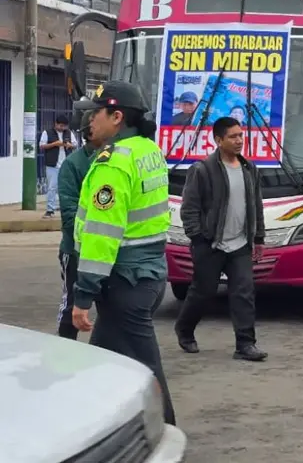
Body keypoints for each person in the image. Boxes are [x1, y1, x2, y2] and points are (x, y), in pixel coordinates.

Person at [70, 80, 177, 425]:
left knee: (145, 367)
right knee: (101, 361)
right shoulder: (148, 150)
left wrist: (83, 295)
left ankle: (168, 432)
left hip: (125, 281)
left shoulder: (113, 164)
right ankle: (93, 430)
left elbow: (103, 234)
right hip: (146, 274)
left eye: (95, 114)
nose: (89, 122)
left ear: (116, 117)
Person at [174, 117, 268, 362]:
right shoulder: (202, 170)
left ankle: (245, 344)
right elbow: (189, 207)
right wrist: (198, 237)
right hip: (211, 244)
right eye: (233, 137)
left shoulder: (249, 169)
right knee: (203, 291)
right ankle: (184, 329)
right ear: (218, 140)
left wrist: (258, 238)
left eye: (240, 136)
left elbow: (256, 205)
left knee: (244, 292)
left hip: (240, 245)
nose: (239, 141)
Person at [56, 110, 104, 340]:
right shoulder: (73, 165)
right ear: (90, 132)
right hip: (76, 251)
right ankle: (66, 354)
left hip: (109, 250)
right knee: (72, 308)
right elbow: (69, 215)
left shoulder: (118, 160)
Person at [39, 115, 77, 217]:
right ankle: (50, 209)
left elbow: (75, 144)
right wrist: (55, 144)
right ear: (55, 124)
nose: (62, 128)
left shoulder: (68, 132)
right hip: (52, 164)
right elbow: (42, 146)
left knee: (66, 187)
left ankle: (65, 207)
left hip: (66, 164)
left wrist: (69, 145)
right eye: (60, 125)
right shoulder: (47, 132)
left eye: (64, 126)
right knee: (52, 187)